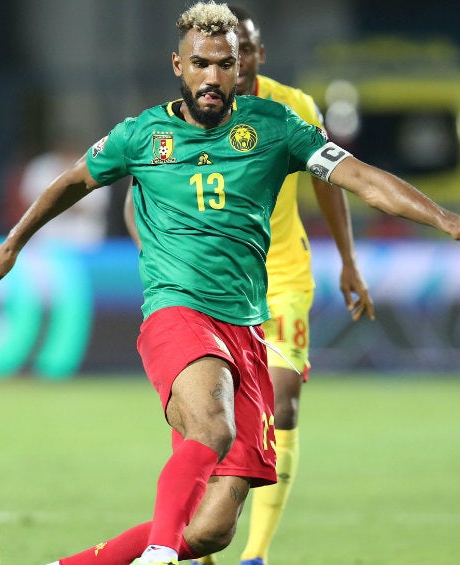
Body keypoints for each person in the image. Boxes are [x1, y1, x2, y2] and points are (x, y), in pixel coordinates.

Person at [0, 3, 460, 565]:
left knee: (211, 532)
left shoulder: (276, 127)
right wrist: (13, 242)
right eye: (200, 64)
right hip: (178, 314)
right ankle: (158, 554)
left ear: (240, 66)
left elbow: (360, 178)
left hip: (247, 327)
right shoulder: (141, 134)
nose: (212, 77)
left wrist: (444, 218)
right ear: (177, 65)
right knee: (212, 428)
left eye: (224, 64)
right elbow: (74, 182)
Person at [122, 6, 373, 565]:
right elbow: (136, 193)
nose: (243, 61)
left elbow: (333, 179)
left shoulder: (288, 109)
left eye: (247, 51)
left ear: (249, 55)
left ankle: (255, 554)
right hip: (204, 289)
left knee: (281, 406)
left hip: (280, 275)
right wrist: (165, 257)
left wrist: (348, 260)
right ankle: (196, 542)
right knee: (210, 422)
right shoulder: (176, 122)